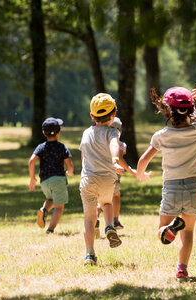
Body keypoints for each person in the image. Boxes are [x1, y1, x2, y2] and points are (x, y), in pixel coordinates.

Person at [137, 85, 196, 279]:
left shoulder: (161, 135)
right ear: (191, 109)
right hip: (194, 186)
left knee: (161, 231)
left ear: (167, 110)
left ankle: (169, 229)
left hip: (172, 187)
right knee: (189, 230)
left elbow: (143, 160)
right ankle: (182, 268)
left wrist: (141, 174)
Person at [80, 93, 125, 265]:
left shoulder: (86, 133)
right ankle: (109, 226)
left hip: (88, 179)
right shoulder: (113, 131)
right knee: (107, 203)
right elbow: (114, 145)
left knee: (89, 218)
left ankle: (90, 254)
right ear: (114, 114)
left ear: (92, 116)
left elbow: (83, 156)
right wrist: (114, 161)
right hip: (107, 178)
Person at [29, 117, 74, 234]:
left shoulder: (41, 147)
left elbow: (31, 161)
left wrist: (32, 178)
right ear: (59, 132)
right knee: (59, 207)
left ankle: (44, 210)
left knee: (50, 199)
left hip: (44, 181)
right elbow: (69, 163)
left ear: (44, 133)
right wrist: (70, 171)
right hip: (58, 179)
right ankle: (50, 229)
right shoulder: (62, 147)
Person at [94, 117, 136, 238]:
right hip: (113, 177)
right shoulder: (121, 145)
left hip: (98, 176)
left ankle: (96, 219)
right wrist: (129, 169)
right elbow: (119, 158)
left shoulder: (99, 143)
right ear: (120, 131)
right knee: (114, 197)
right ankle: (115, 220)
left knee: (99, 200)